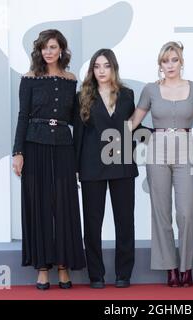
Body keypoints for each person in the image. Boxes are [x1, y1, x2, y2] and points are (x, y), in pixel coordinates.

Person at [12, 29, 86, 290]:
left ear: (62, 50)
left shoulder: (70, 79)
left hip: (64, 146)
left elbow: (77, 120)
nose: (48, 51)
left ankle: (64, 266)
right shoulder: (29, 78)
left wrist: (79, 159)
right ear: (39, 51)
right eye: (44, 47)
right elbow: (23, 116)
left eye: (53, 47)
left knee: (65, 205)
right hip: (34, 146)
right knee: (40, 204)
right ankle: (43, 268)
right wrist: (17, 152)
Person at [128, 42, 193, 287]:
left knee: (187, 211)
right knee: (161, 212)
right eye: (164, 61)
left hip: (185, 150)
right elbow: (133, 122)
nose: (169, 65)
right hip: (157, 151)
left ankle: (186, 266)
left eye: (174, 60)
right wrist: (103, 136)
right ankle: (170, 268)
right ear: (159, 65)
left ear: (181, 62)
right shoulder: (150, 90)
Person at [74, 49, 138, 289]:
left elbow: (131, 131)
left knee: (125, 221)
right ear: (92, 70)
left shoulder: (128, 95)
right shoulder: (83, 97)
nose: (101, 71)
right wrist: (75, 168)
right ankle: (96, 275)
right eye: (97, 66)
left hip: (122, 165)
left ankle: (124, 273)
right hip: (92, 166)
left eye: (106, 66)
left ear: (114, 68)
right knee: (92, 223)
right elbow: (78, 135)